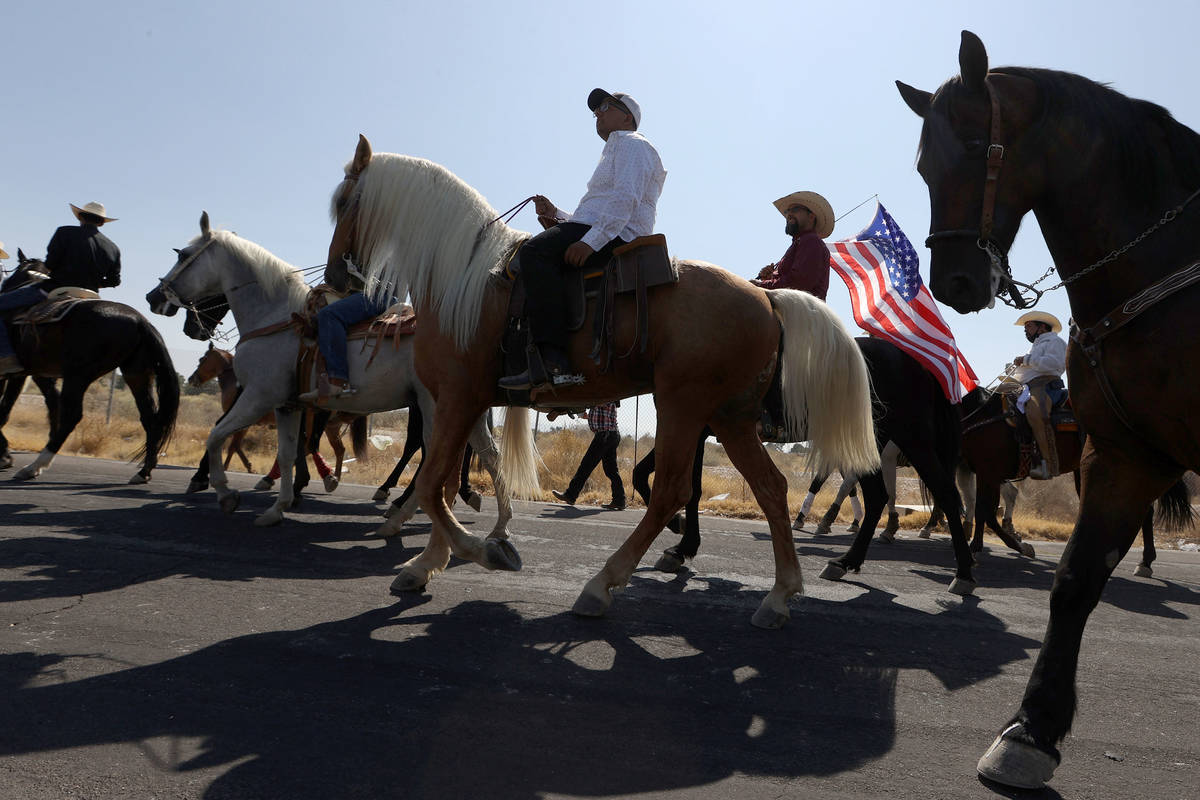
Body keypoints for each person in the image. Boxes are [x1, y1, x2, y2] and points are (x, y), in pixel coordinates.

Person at [498, 88, 667, 391]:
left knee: (534, 252)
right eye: (595, 110)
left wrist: (592, 241)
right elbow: (597, 209)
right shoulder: (617, 149)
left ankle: (553, 363)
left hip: (617, 234)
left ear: (627, 116)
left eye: (605, 106)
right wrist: (558, 214)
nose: (598, 113)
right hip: (602, 227)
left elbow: (625, 199)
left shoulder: (633, 144)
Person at [0, 202, 121, 376]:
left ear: (80, 216)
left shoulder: (64, 232)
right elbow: (114, 280)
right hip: (90, 296)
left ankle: (6, 358)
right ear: (101, 222)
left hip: (54, 289)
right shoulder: (112, 248)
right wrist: (91, 282)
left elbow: (50, 264)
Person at [1010, 310, 1068, 479]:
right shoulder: (1036, 345)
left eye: (1029, 326)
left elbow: (1054, 364)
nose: (1025, 330)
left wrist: (1026, 360)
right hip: (1028, 386)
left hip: (1046, 385)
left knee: (1035, 412)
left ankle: (1049, 465)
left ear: (1042, 327)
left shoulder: (1055, 341)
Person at [750, 190, 834, 299]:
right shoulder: (801, 242)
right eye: (787, 212)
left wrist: (761, 285)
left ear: (811, 216)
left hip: (802, 312)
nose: (789, 214)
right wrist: (769, 278)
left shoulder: (811, 241)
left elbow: (799, 283)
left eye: (795, 210)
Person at [551, 401, 626, 510]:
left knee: (586, 466)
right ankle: (619, 500)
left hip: (604, 435)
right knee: (611, 470)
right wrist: (582, 414)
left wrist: (578, 405)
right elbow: (595, 413)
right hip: (610, 434)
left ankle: (570, 495)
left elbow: (598, 403)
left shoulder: (605, 395)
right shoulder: (603, 398)